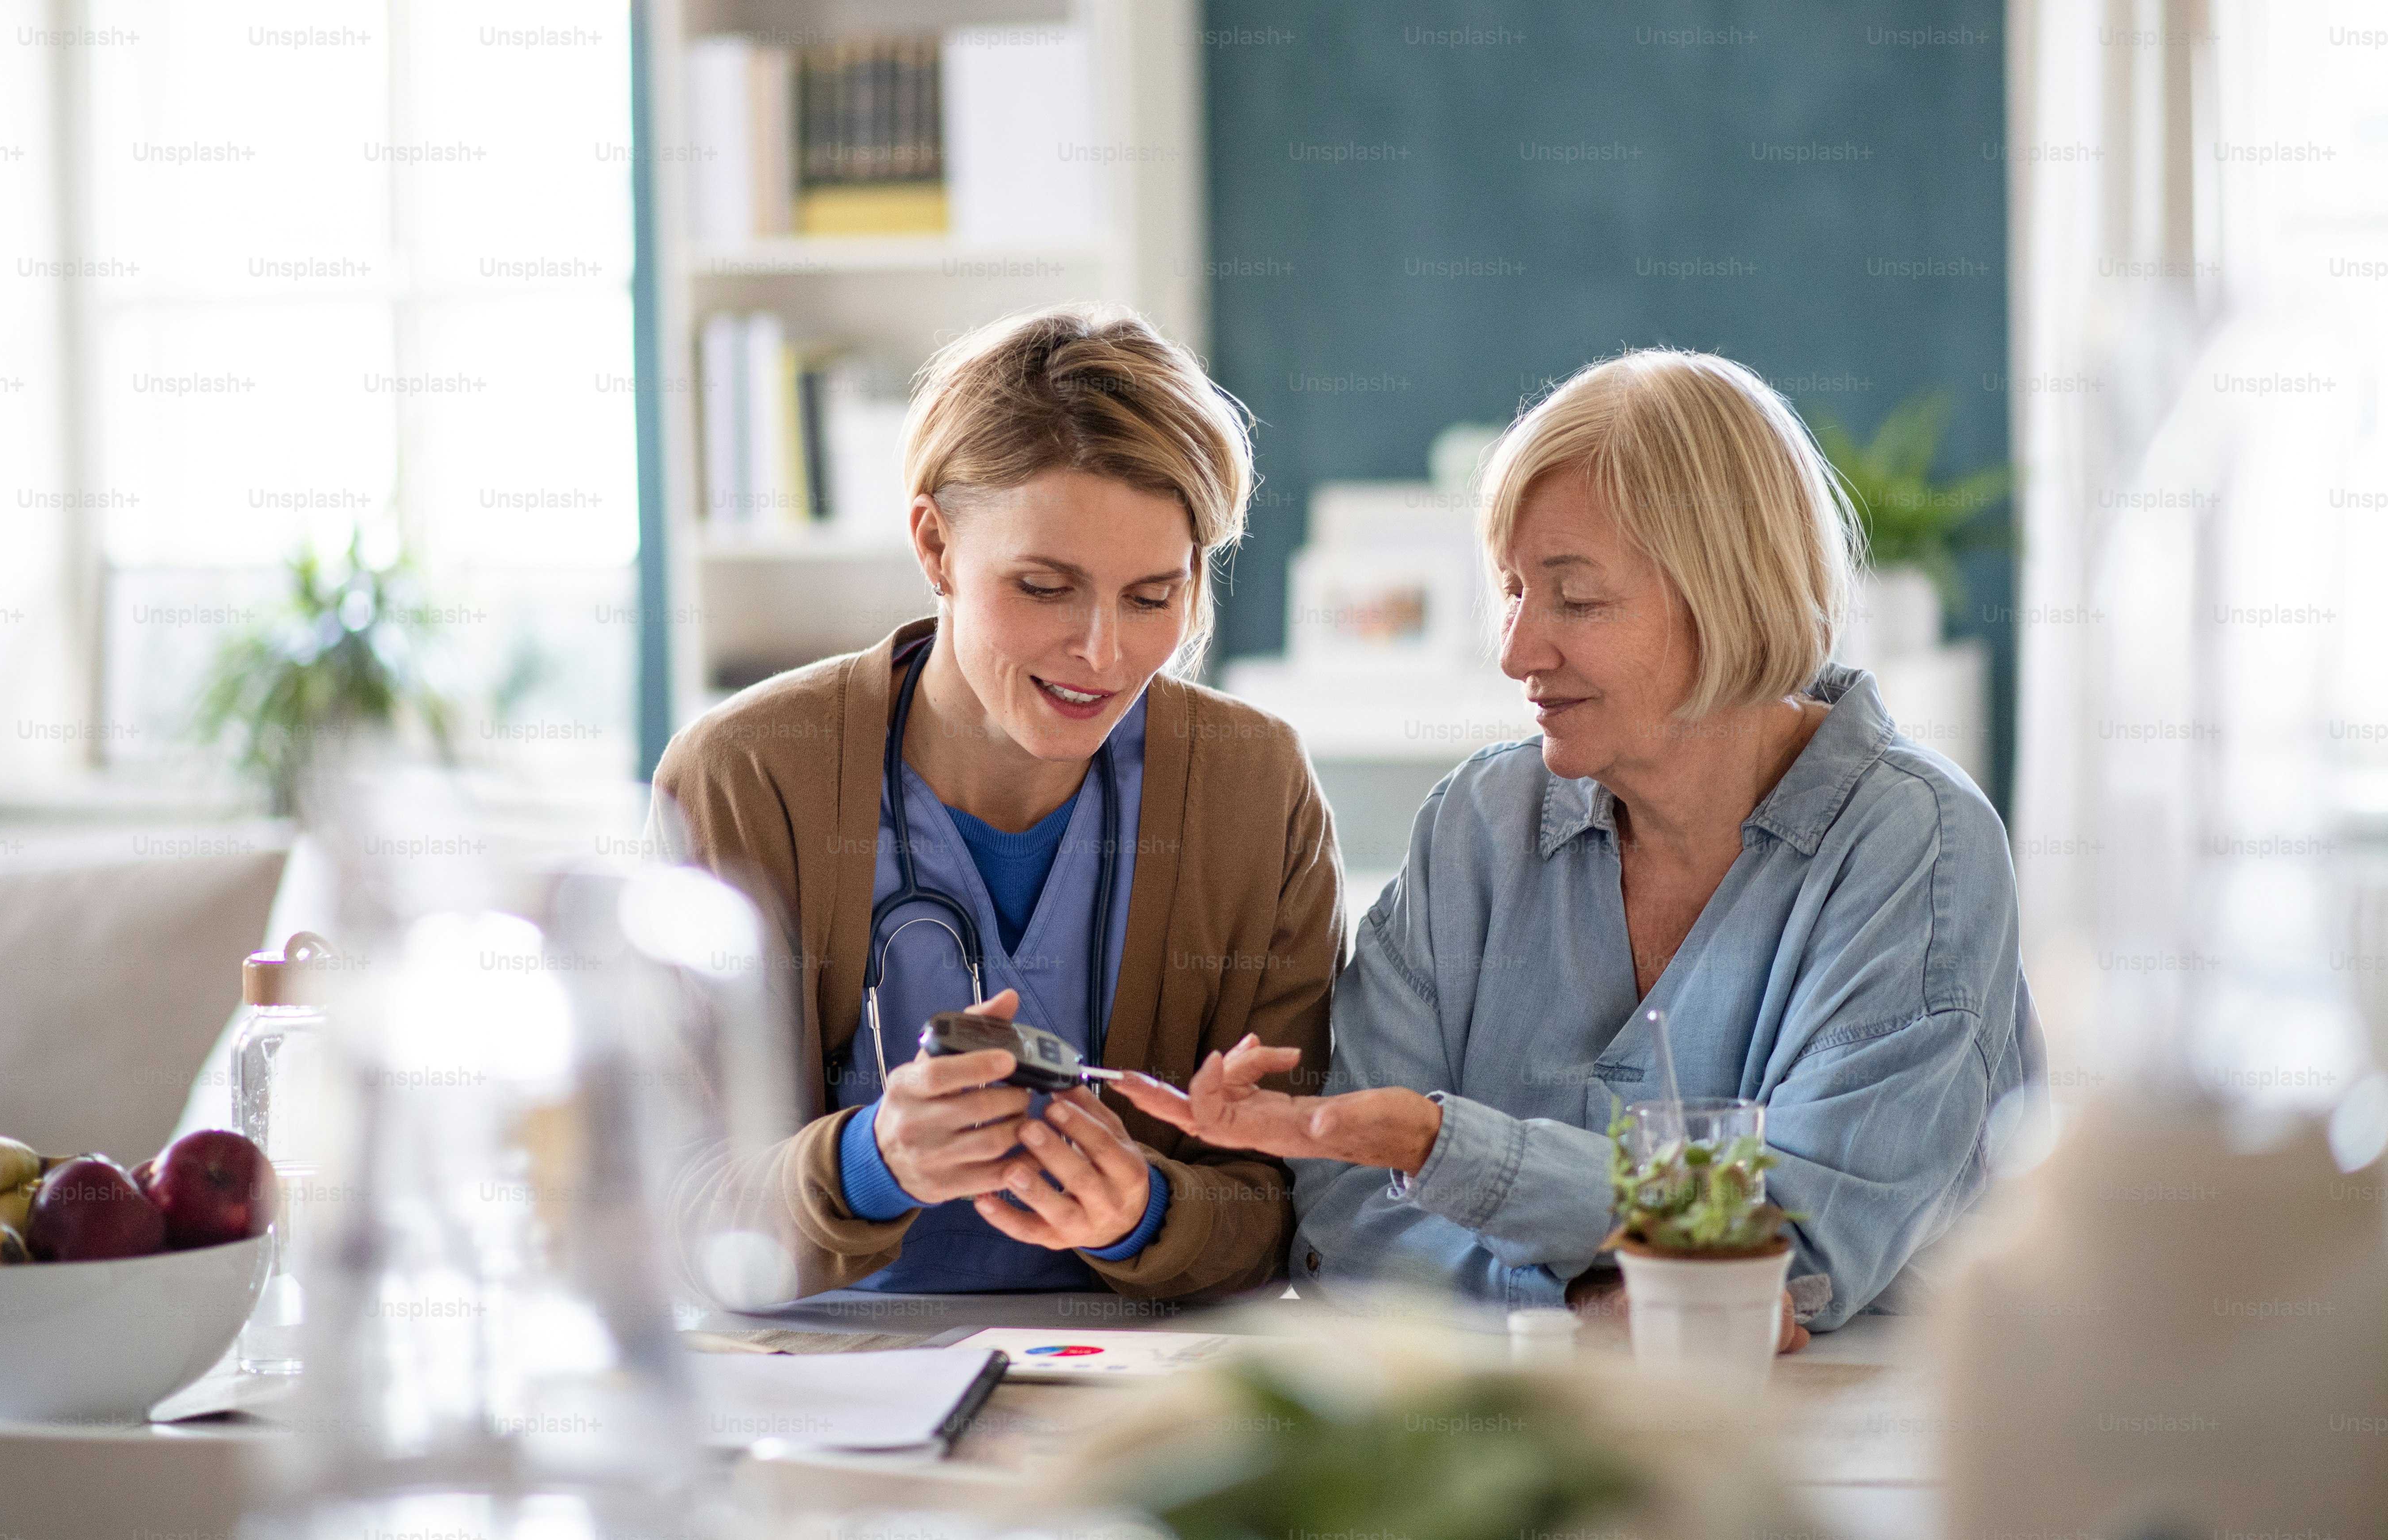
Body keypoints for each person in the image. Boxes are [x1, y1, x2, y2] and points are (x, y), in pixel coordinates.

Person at [1122, 348, 2043, 1340]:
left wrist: (1446, 1150)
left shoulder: (1920, 843)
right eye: (1514, 590)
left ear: (1730, 592)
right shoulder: (1475, 825)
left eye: (1576, 598)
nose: (1518, 649)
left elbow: (1796, 1251)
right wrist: (1576, 1301)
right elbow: (1345, 1215)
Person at [649, 303, 1343, 1301]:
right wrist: (871, 1162)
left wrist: (1146, 1209)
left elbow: (1302, 1206)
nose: (1103, 653)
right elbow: (663, 1208)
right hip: (823, 1371)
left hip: (1133, 1384)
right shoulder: (748, 778)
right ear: (934, 545)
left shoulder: (1253, 786)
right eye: (1044, 586)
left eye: (1154, 597)